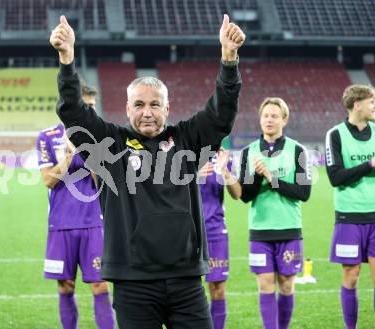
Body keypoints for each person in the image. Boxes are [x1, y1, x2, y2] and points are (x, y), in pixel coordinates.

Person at [50, 14, 244, 329]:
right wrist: (67, 59)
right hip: (133, 283)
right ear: (127, 109)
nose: (147, 112)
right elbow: (73, 114)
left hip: (186, 281)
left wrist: (229, 60)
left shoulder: (187, 139)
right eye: (139, 105)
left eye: (155, 105)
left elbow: (222, 113)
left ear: (167, 109)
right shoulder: (110, 145)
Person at [37, 84, 115, 329]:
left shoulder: (103, 137)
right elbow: (49, 181)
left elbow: (105, 182)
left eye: (92, 106)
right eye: (85, 106)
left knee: (100, 284)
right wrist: (69, 155)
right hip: (60, 223)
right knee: (65, 285)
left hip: (93, 222)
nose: (90, 111)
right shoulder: (47, 137)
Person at [238, 97, 311, 329]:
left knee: (287, 285)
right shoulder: (248, 153)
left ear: (284, 119)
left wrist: (272, 178)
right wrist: (258, 176)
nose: (269, 120)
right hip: (260, 231)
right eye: (265, 116)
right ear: (260, 120)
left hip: (289, 229)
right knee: (265, 285)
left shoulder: (298, 151)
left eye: (274, 116)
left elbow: (303, 192)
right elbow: (245, 196)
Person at [326, 85, 375, 329]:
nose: (374, 106)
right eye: (371, 102)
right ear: (357, 104)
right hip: (349, 217)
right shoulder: (335, 135)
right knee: (351, 276)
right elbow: (335, 177)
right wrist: (370, 165)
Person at [197, 148, 241, 329]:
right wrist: (194, 175)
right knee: (183, 292)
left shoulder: (222, 157)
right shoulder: (182, 153)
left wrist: (224, 169)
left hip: (215, 231)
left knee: (217, 289)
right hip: (186, 233)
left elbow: (237, 193)